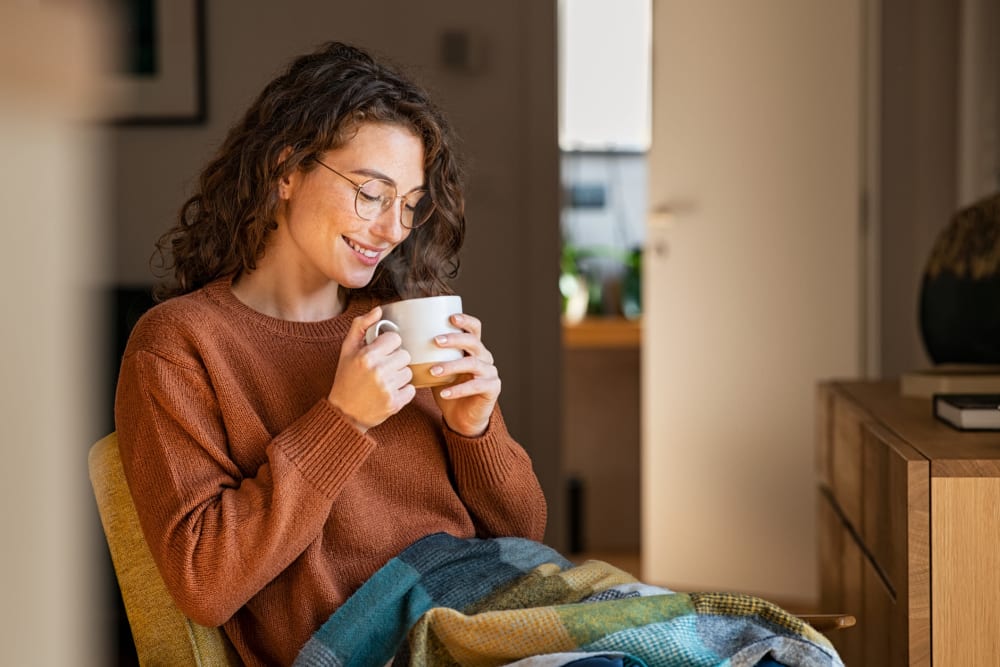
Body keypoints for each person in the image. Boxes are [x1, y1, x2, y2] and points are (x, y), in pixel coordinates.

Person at [114, 41, 547, 666]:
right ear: (287, 170)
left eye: (409, 204)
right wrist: (343, 420)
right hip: (374, 645)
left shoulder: (401, 322)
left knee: (717, 640)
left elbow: (523, 537)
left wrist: (475, 430)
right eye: (371, 193)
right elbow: (205, 582)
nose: (394, 228)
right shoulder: (179, 346)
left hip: (496, 611)